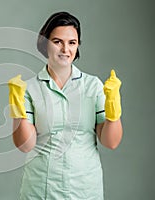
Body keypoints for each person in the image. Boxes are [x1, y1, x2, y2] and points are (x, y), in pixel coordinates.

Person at [8, 11, 123, 199]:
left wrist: (113, 111)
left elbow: (111, 142)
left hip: (84, 189)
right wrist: (17, 110)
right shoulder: (28, 88)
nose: (65, 49)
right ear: (45, 44)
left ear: (78, 46)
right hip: (40, 189)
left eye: (72, 43)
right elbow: (25, 145)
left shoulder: (93, 86)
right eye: (57, 41)